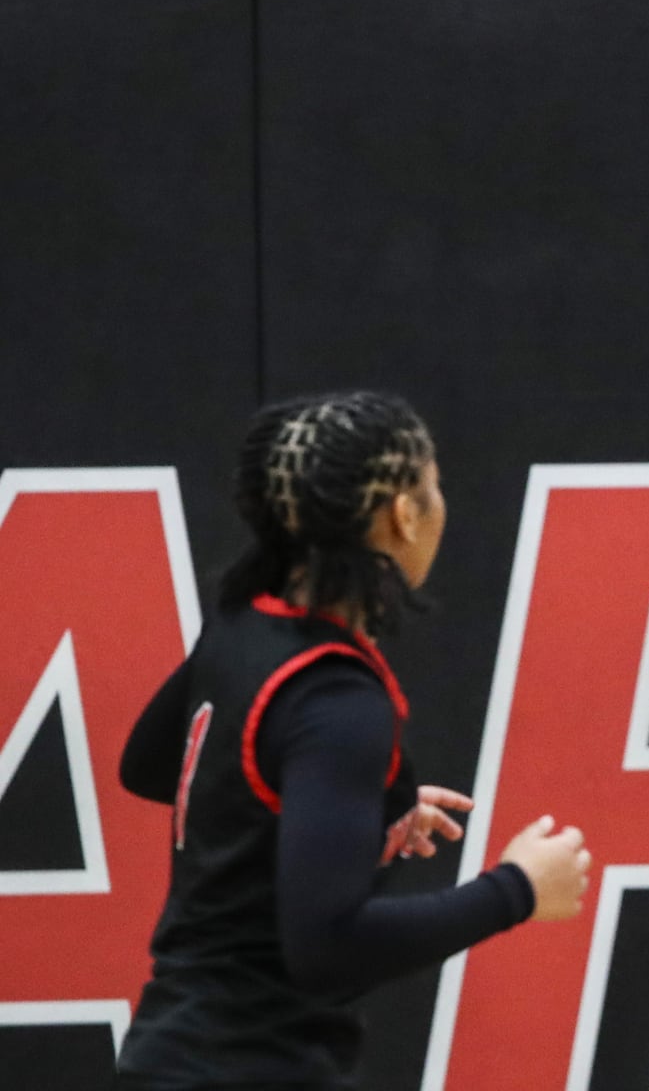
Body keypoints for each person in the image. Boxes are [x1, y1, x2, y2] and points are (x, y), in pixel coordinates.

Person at [114, 390, 593, 1091]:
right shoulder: (339, 702)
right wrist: (516, 889)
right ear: (402, 513)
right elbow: (329, 949)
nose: (440, 505)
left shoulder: (240, 624)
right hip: (251, 1069)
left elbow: (152, 767)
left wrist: (330, 815)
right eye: (434, 486)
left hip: (167, 1053)